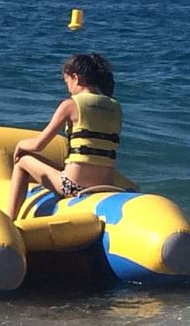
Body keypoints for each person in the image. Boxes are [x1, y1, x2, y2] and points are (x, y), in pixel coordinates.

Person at [6, 53, 121, 220]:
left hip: (74, 187)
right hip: (106, 186)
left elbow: (39, 145)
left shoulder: (70, 105)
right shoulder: (115, 106)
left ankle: (10, 220)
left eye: (67, 81)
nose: (68, 88)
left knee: (23, 160)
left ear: (75, 77)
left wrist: (20, 145)